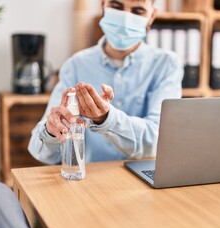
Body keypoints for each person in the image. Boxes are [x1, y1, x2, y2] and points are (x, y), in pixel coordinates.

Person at [28, 0, 183, 164]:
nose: (125, 18)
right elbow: (41, 153)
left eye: (137, 11)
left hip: (145, 183)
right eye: (117, 7)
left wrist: (107, 119)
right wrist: (52, 131)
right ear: (103, 6)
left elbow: (158, 141)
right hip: (90, 182)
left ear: (152, 15)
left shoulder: (167, 64)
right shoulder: (76, 65)